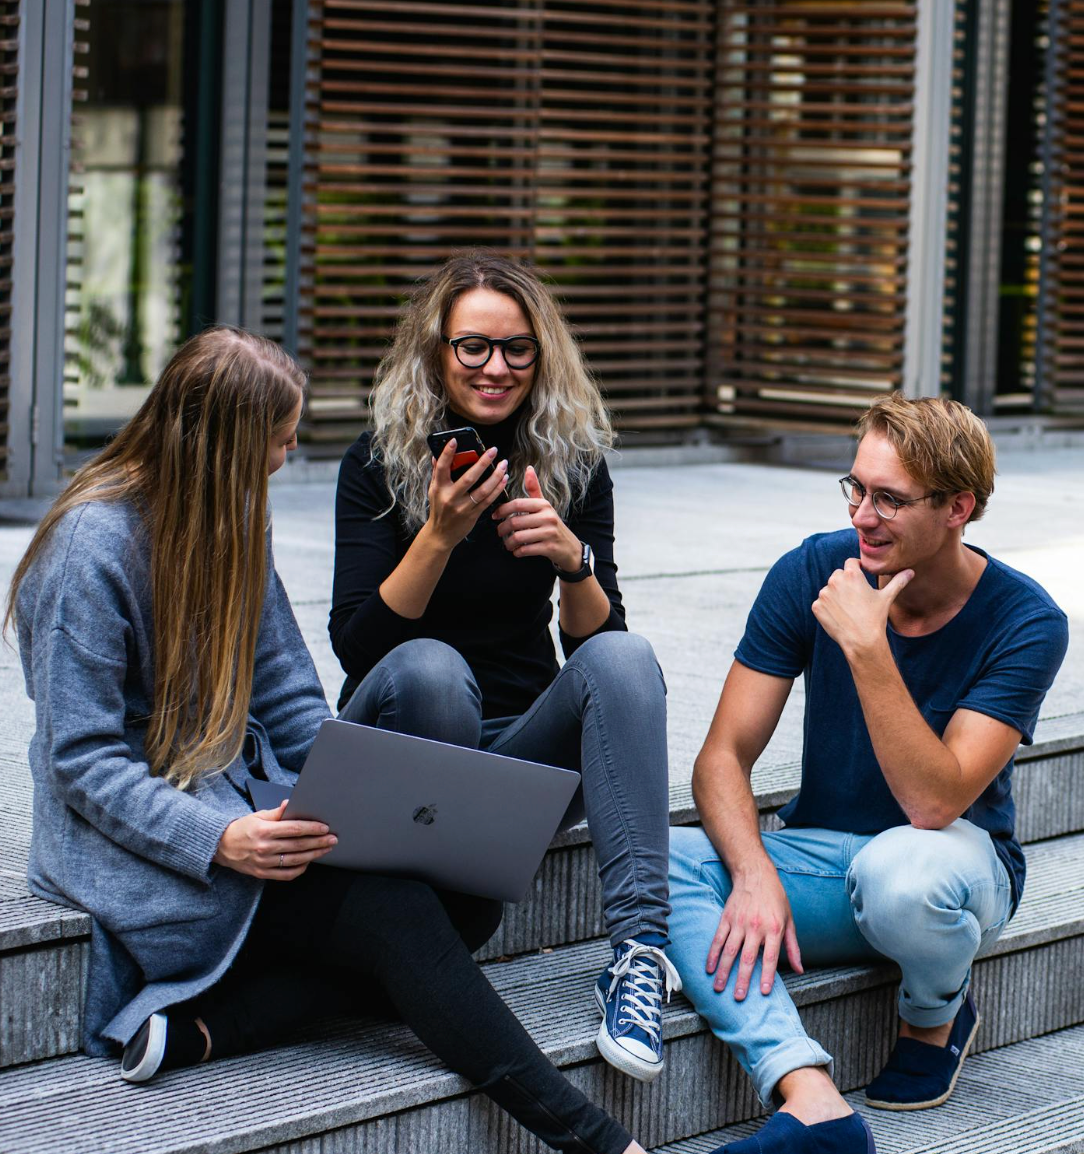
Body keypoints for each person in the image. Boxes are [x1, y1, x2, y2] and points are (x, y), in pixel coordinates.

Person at [7, 326, 651, 1154]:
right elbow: (82, 760)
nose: (282, 460)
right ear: (222, 440)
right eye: (276, 442)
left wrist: (362, 792)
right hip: (144, 843)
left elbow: (288, 699)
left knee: (468, 906)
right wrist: (220, 838)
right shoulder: (87, 549)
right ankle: (600, 1142)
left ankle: (217, 1026)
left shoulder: (234, 516)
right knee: (397, 914)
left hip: (245, 805)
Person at [665, 395, 1068, 1154]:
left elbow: (935, 799)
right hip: (823, 856)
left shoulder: (1027, 621)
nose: (863, 515)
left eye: (889, 498)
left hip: (950, 865)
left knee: (902, 872)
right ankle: (805, 1093)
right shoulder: (813, 569)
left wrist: (867, 647)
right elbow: (721, 756)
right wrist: (752, 873)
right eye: (855, 488)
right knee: (660, 859)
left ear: (958, 507)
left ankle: (935, 1014)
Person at [329, 249, 679, 1083]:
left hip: (517, 760)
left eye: (517, 348)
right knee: (432, 670)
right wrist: (439, 535)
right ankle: (424, 920)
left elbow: (599, 652)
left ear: (542, 354)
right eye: (472, 347)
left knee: (627, 659)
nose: (496, 368)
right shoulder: (376, 463)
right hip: (406, 743)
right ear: (436, 351)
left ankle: (638, 956)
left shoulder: (572, 463)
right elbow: (358, 647)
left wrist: (572, 561)